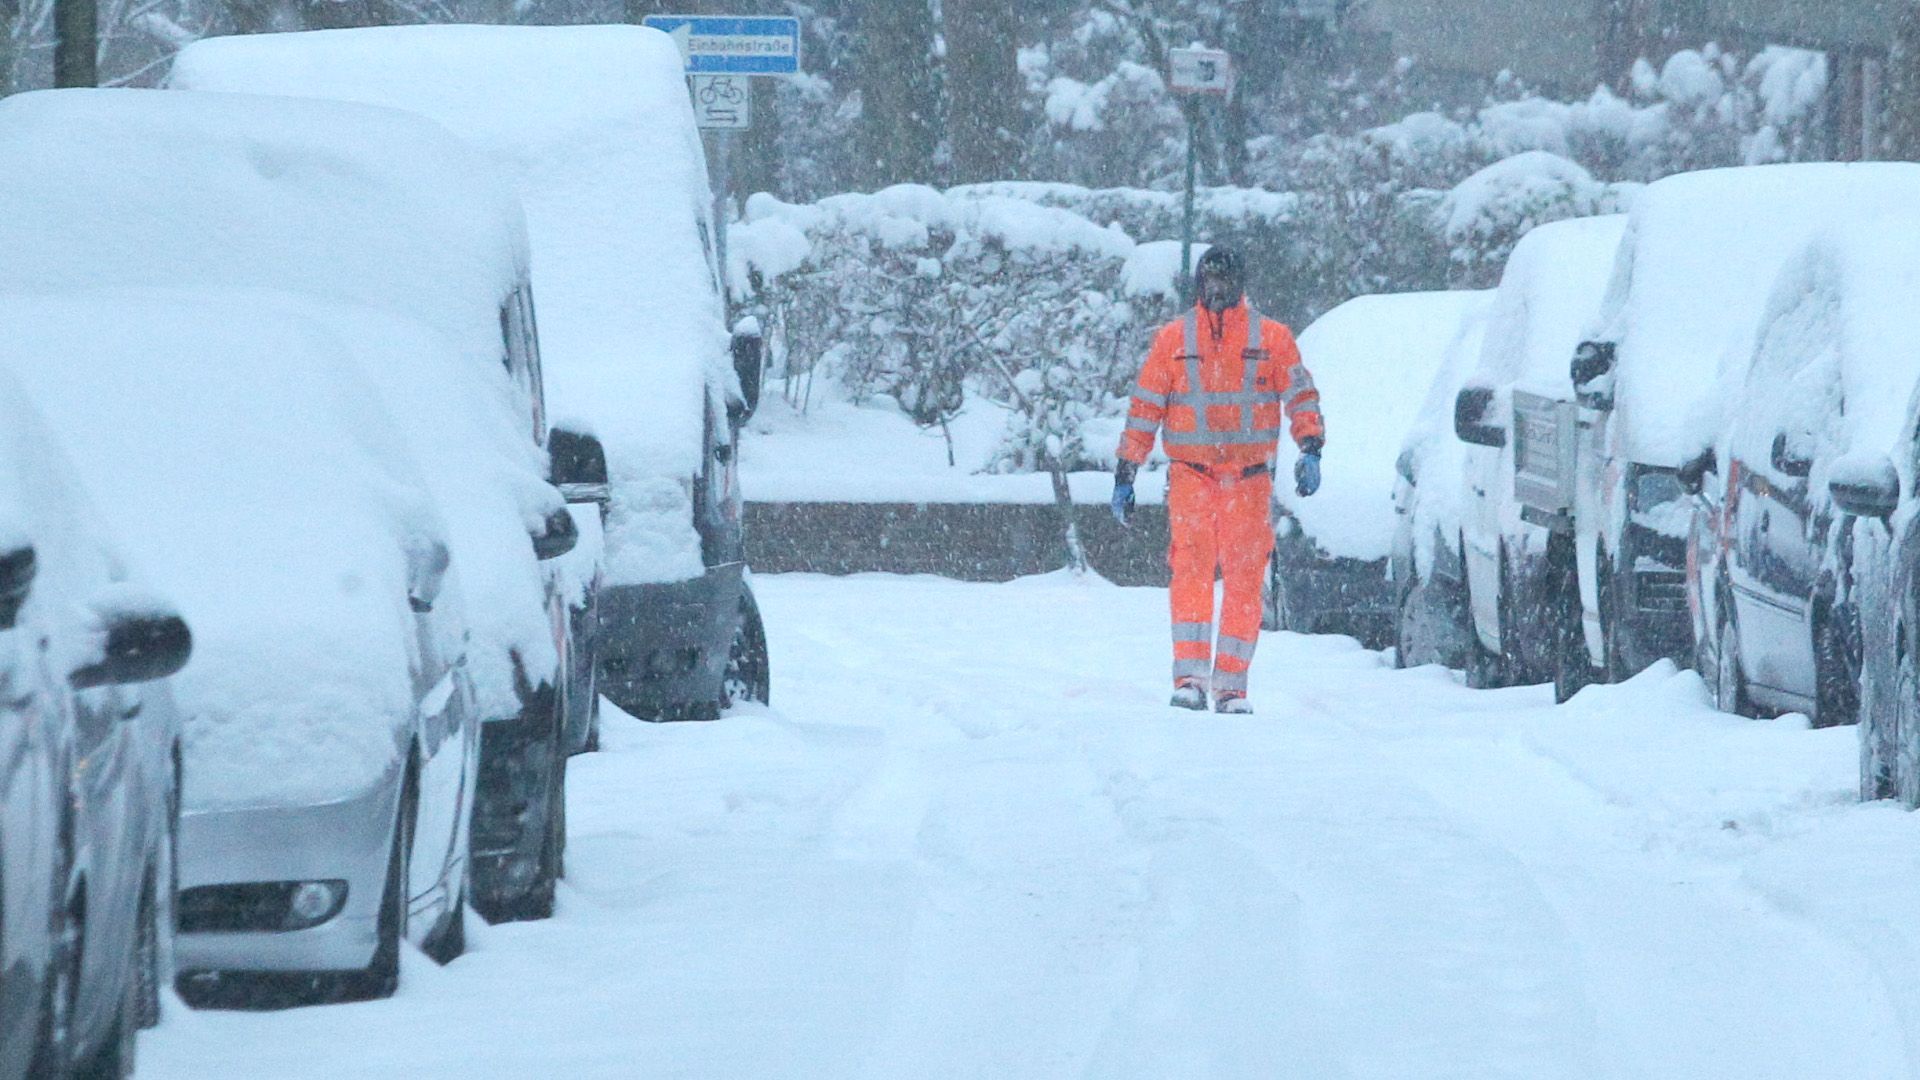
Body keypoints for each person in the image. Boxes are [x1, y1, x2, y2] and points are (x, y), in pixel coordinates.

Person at [1110, 246, 1324, 714]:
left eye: (1224, 280)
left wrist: (1311, 445)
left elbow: (1299, 393)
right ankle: (1190, 679)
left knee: (1245, 581)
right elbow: (1146, 405)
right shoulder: (1174, 339)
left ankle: (1231, 685)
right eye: (1209, 280)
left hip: (1248, 481)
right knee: (1191, 575)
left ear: (1240, 283)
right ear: (1197, 284)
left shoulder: (1271, 338)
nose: (1216, 289)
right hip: (1191, 476)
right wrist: (1127, 466)